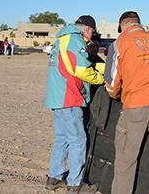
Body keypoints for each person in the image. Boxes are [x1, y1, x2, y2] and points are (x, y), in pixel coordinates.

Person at [104, 11, 149, 194]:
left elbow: (112, 84)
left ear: (122, 25)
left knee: (125, 161)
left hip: (135, 105)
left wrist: (117, 94)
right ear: (139, 23)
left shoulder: (118, 44)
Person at [45, 15, 105, 194]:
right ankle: (75, 183)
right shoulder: (75, 39)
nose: (90, 37)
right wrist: (102, 79)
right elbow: (82, 70)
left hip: (57, 97)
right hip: (69, 98)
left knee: (62, 139)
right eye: (91, 33)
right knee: (78, 141)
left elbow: (80, 64)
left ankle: (54, 178)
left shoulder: (63, 39)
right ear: (87, 29)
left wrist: (107, 66)